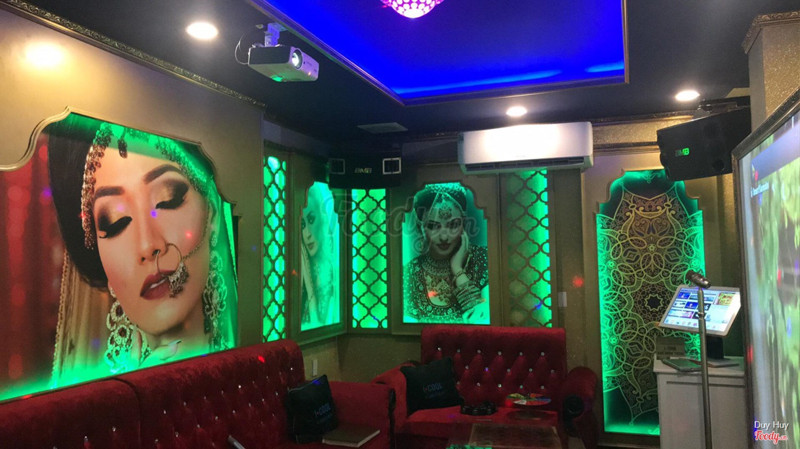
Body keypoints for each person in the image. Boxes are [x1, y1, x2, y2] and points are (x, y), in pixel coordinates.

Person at [46, 113, 237, 384]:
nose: (147, 245)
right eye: (115, 223)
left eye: (168, 199)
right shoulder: (106, 401)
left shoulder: (250, 372)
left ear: (213, 213)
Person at [403, 183, 489, 323]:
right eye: (433, 226)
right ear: (420, 228)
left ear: (463, 224)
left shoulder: (483, 259)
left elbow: (481, 320)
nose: (444, 236)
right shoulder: (410, 273)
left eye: (453, 224)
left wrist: (457, 269)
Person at [300, 182, 339, 329]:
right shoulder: (300, 276)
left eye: (311, 220)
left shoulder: (336, 274)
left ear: (322, 220)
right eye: (302, 225)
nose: (307, 233)